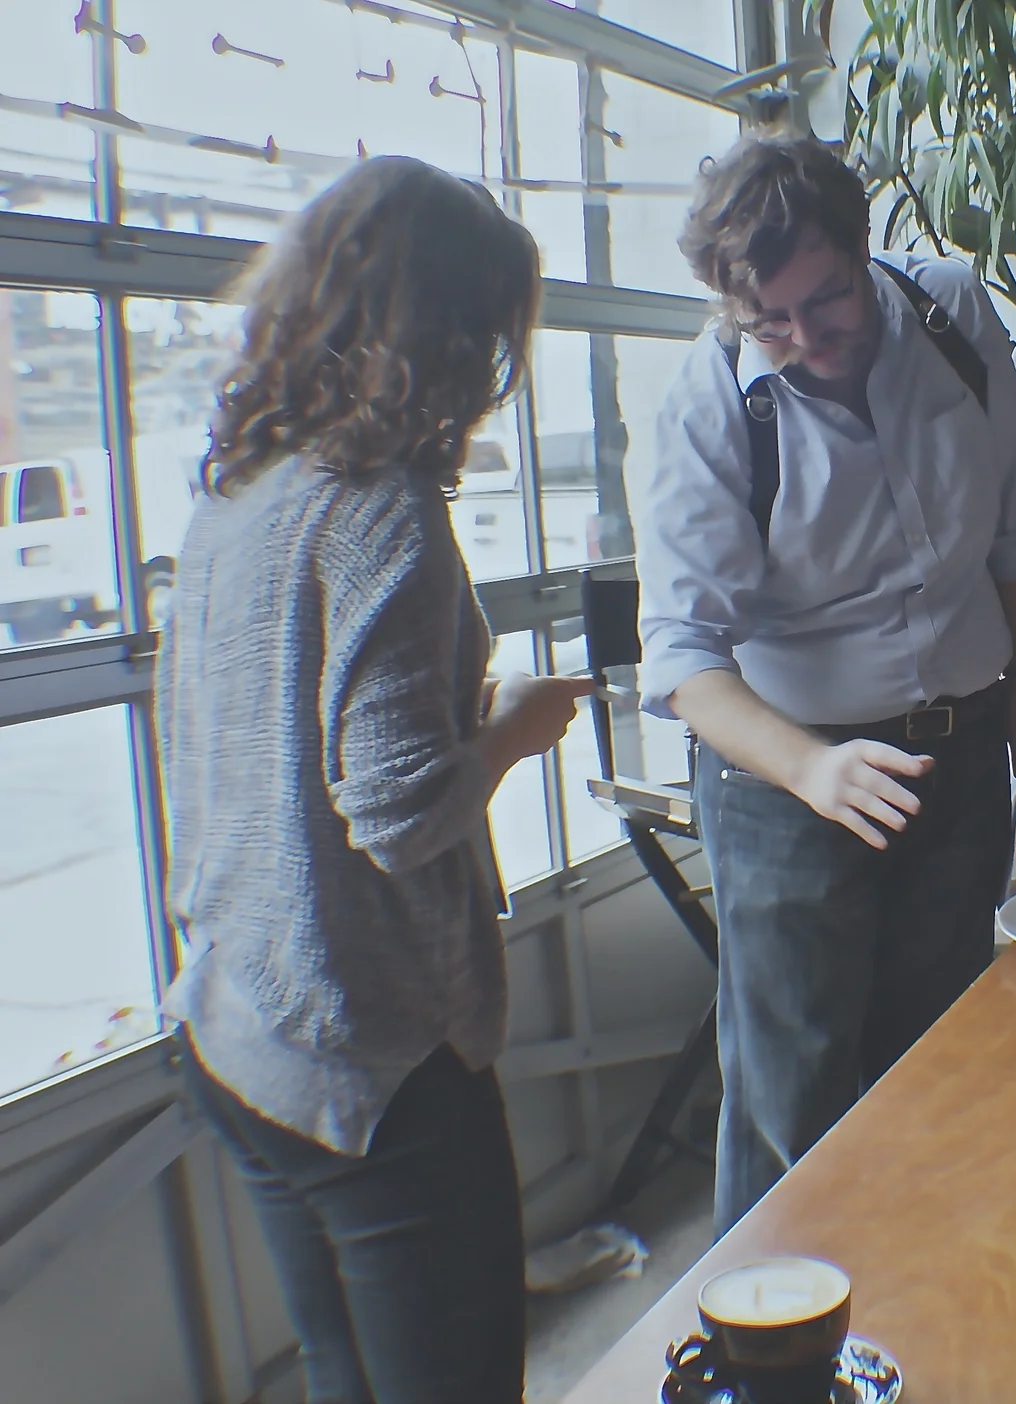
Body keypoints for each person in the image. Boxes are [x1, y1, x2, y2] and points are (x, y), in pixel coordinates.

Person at [157, 157, 584, 1404]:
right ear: (448, 335)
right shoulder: (379, 512)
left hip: (237, 1029)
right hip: (373, 1063)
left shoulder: (239, 496)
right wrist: (512, 725)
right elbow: (398, 818)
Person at [635, 135, 1016, 1233]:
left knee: (943, 1057)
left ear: (866, 250)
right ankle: (777, 1362)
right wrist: (813, 770)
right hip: (788, 778)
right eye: (768, 319)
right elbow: (683, 657)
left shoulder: (953, 314)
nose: (802, 339)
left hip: (953, 749)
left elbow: (1015, 523)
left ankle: (928, 1331)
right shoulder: (707, 403)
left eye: (825, 302)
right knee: (795, 1101)